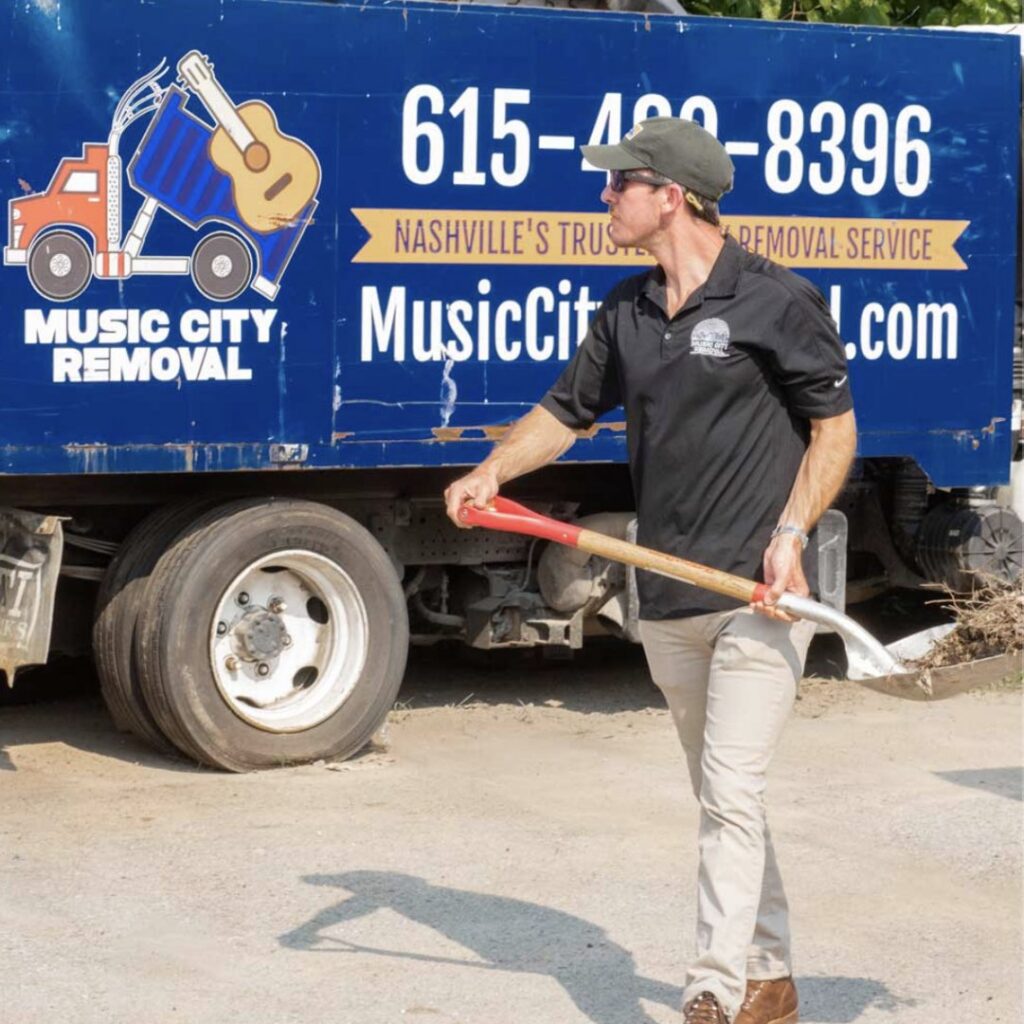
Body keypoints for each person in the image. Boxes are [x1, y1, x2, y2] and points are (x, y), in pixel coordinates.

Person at [444, 116, 857, 1024]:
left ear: (668, 195)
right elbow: (564, 412)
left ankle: (710, 989)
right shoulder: (627, 311)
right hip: (666, 592)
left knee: (732, 790)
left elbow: (834, 429)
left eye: (618, 183)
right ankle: (771, 975)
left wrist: (792, 531)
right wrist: (492, 471)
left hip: (760, 596)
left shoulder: (775, 300)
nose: (603, 197)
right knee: (721, 795)